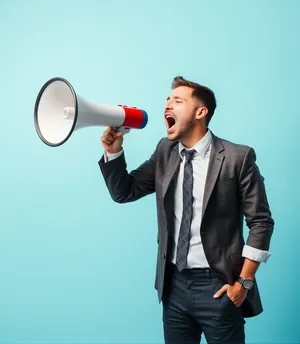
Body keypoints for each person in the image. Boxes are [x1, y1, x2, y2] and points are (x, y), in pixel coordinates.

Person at [98, 76, 274, 344]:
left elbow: (261, 221)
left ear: (200, 112)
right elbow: (125, 192)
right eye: (167, 100)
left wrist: (244, 284)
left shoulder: (238, 158)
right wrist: (113, 153)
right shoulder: (165, 151)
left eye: (178, 101)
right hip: (174, 286)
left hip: (218, 285)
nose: (168, 106)